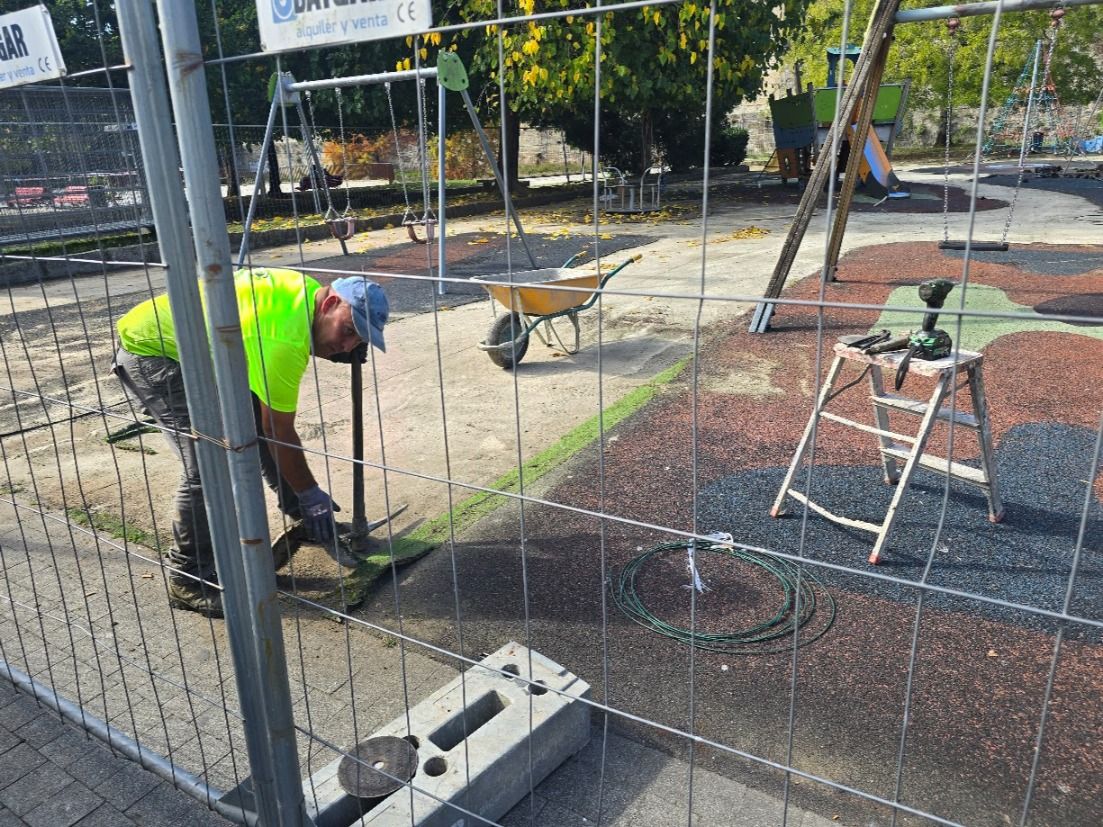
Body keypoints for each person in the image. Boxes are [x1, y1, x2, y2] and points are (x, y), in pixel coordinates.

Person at [112, 268, 389, 618]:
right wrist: (310, 493)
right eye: (348, 331)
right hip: (154, 351)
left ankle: (304, 521)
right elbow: (278, 431)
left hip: (197, 344)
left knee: (254, 426)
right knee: (209, 464)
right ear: (331, 303)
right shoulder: (285, 340)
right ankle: (188, 579)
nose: (347, 346)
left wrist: (341, 340)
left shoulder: (306, 291)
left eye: (359, 340)